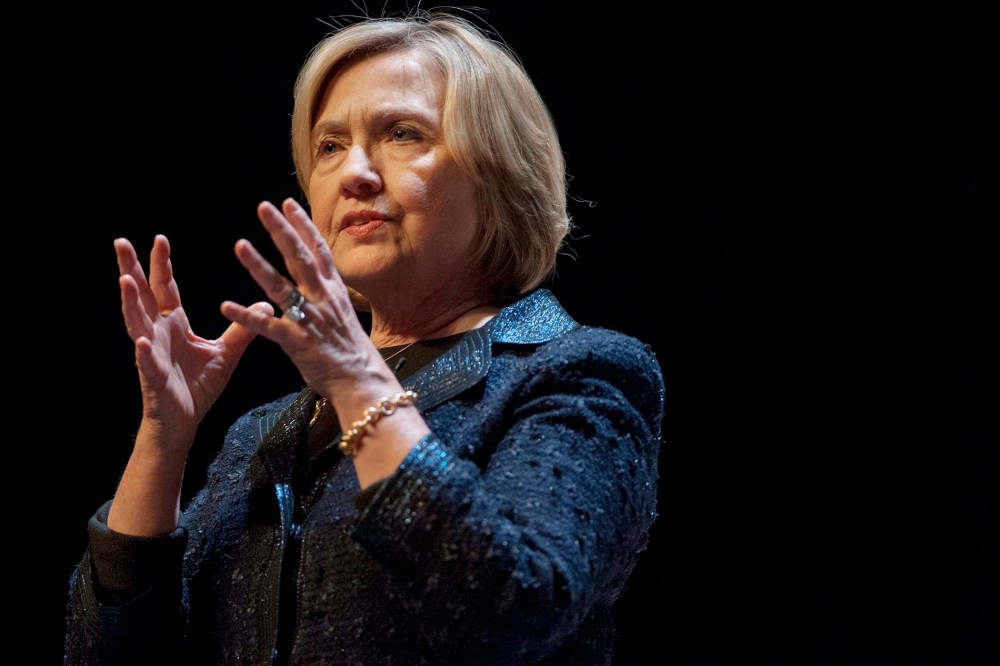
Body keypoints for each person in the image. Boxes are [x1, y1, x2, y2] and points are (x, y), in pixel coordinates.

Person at [64, 9, 665, 665]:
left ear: (501, 177)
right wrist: (162, 436)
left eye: (402, 134)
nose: (354, 172)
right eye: (328, 146)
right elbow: (108, 657)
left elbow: (511, 613)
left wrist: (356, 379)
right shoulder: (265, 435)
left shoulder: (580, 376)